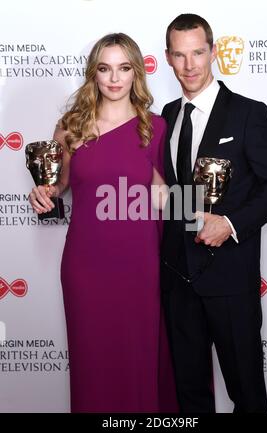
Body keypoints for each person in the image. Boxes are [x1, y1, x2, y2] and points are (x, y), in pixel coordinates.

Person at [29, 32, 177, 413]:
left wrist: (211, 208)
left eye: (124, 68)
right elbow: (59, 186)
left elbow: (166, 200)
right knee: (92, 362)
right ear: (93, 73)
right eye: (105, 68)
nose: (114, 78)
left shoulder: (156, 127)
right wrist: (43, 194)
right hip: (86, 265)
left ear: (136, 74)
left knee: (139, 357)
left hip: (140, 264)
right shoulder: (70, 128)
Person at [160, 13, 267, 413]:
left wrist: (231, 223)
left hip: (230, 279)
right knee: (189, 396)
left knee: (247, 394)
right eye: (180, 55)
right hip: (176, 280)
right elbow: (163, 195)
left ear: (214, 52)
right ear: (168, 58)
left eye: (198, 53)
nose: (190, 66)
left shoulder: (248, 112)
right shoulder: (163, 118)